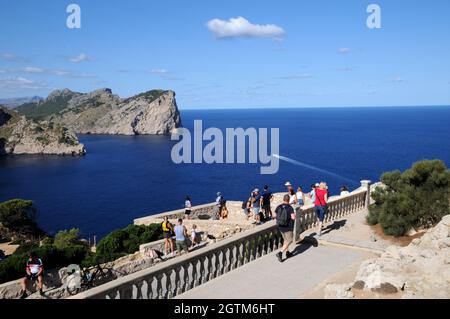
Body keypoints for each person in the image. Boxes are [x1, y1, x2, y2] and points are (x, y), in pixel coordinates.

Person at [273, 194, 296, 262]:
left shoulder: (279, 206)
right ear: (288, 200)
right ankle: (280, 253)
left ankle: (287, 253)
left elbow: (274, 215)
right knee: (290, 240)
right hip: (288, 227)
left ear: (283, 199)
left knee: (285, 240)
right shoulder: (290, 208)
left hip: (280, 226)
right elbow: (293, 217)